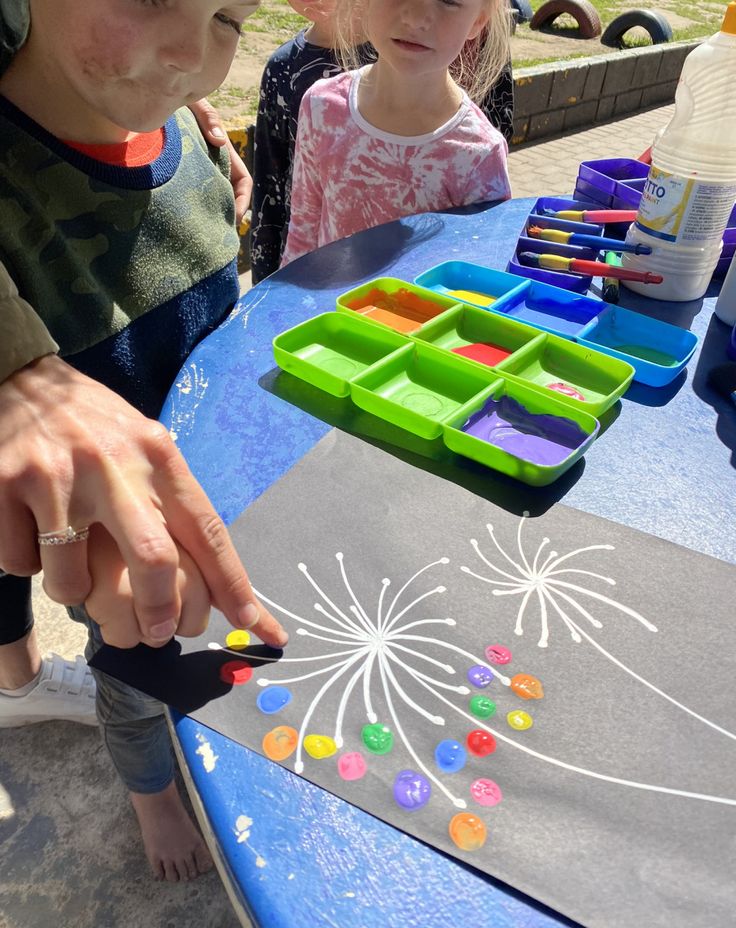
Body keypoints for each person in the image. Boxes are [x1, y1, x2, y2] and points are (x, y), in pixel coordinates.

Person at [0, 0, 289, 882]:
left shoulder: (191, 139)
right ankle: (151, 795)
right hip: (116, 557)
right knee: (132, 673)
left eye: (230, 16)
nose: (190, 56)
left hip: (213, 514)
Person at [250, 0, 513, 284]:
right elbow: (302, 239)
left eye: (448, 0)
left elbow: (476, 283)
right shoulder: (322, 108)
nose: (415, 17)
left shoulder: (478, 153)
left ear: (478, 21)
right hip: (326, 323)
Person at [249, 0, 367, 284]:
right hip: (305, 269)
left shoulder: (403, 56)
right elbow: (270, 184)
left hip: (383, 266)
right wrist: (264, 284)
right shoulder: (282, 68)